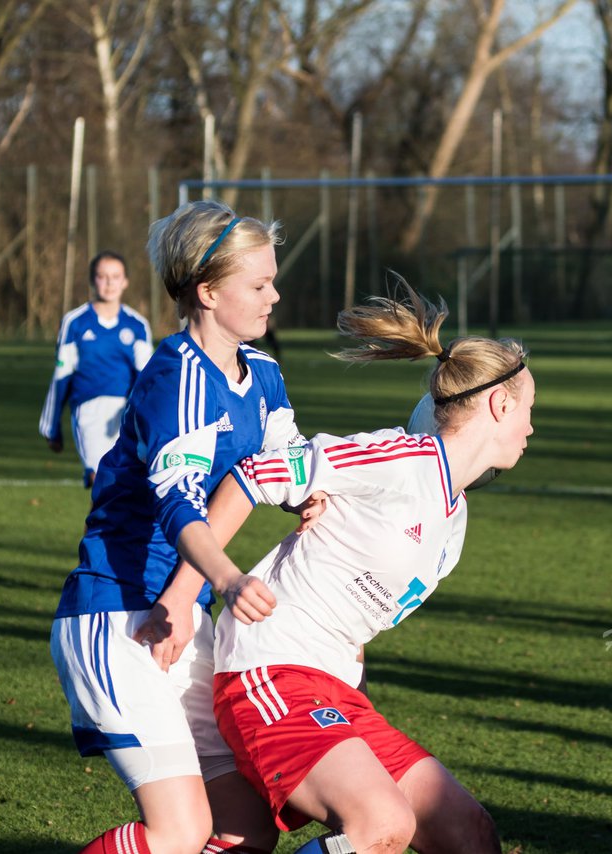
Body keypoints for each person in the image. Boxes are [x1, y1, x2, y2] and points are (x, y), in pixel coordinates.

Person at [205, 284, 530, 854]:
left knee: (470, 834)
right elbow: (254, 474)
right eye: (528, 409)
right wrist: (204, 583)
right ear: (500, 405)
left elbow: (358, 605)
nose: (530, 428)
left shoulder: (453, 522)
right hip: (270, 668)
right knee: (381, 826)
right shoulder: (401, 460)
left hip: (334, 691)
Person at [52, 201, 322, 854]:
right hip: (118, 616)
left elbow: (292, 463)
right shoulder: (177, 379)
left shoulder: (261, 373)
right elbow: (178, 506)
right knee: (181, 830)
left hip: (181, 619)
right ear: (207, 291)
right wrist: (227, 577)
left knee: (247, 830)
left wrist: (340, 486)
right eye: (259, 285)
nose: (275, 295)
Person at [40, 250, 154, 487]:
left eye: (115, 276)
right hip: (89, 412)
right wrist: (51, 426)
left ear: (125, 282)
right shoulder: (75, 322)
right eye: (102, 276)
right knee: (102, 481)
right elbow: (62, 375)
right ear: (93, 280)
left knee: (120, 492)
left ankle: (102, 525)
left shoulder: (138, 325)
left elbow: (147, 378)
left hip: (125, 415)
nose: (109, 283)